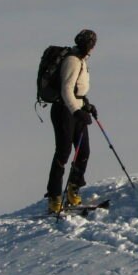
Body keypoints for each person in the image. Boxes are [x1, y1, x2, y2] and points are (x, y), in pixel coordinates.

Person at [45, 29, 99, 214]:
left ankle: (73, 190)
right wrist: (76, 111)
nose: (92, 46)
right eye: (90, 43)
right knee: (63, 153)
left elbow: (78, 89)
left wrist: (86, 104)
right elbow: (66, 90)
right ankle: (54, 198)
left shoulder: (81, 60)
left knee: (83, 151)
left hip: (77, 110)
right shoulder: (72, 60)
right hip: (64, 111)